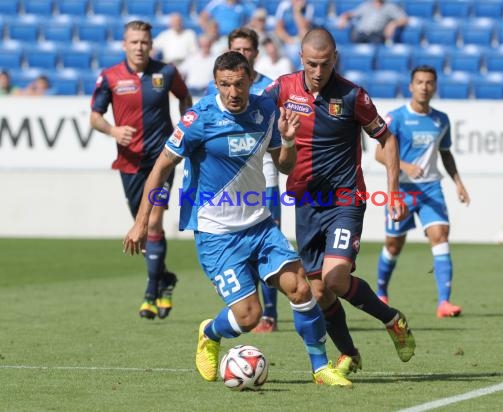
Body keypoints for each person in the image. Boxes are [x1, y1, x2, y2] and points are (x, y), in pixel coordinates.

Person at [123, 51, 352, 387]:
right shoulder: (197, 118)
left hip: (259, 226)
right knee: (250, 316)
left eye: (239, 84)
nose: (233, 92)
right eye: (225, 85)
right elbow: (160, 168)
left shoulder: (266, 110)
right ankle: (210, 333)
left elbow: (285, 166)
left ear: (250, 81)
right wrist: (142, 222)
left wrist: (288, 140)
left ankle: (320, 368)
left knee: (301, 289)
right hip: (217, 235)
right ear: (216, 84)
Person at [263, 27, 416, 376]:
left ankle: (392, 320)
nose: (319, 72)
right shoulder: (283, 88)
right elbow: (253, 112)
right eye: (313, 64)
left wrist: (393, 190)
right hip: (305, 202)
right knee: (318, 291)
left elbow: (387, 140)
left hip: (345, 199)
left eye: (326, 64)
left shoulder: (352, 96)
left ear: (336, 60)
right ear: (301, 59)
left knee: (333, 278)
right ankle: (350, 353)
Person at [90, 20, 193, 320]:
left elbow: (185, 98)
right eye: (134, 42)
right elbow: (95, 116)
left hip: (161, 161)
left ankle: (150, 293)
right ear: (125, 45)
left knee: (153, 222)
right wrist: (113, 130)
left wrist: (185, 125)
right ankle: (166, 279)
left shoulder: (167, 72)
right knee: (142, 225)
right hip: (129, 163)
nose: (139, 47)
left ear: (151, 44)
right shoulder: (110, 77)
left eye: (144, 42)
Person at [375, 65, 470, 319]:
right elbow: (378, 153)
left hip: (431, 188)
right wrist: (404, 165)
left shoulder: (441, 119)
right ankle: (381, 292)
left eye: (429, 82)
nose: (424, 87)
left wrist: (458, 182)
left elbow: (446, 153)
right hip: (402, 190)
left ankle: (444, 302)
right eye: (419, 82)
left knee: (440, 235)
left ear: (434, 86)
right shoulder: (396, 118)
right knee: (393, 245)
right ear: (411, 86)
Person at [203, 27, 280, 333]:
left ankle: (270, 313)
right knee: (246, 249)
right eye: (238, 49)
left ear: (255, 55)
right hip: (231, 189)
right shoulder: (217, 95)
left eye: (248, 50)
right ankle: (252, 308)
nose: (243, 53)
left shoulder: (269, 90)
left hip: (267, 177)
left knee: (270, 243)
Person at [336, 0, 408, 44]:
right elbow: (352, 14)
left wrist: (393, 24)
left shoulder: (390, 7)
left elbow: (404, 19)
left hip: (376, 36)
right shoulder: (366, 5)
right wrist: (344, 17)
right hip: (361, 34)